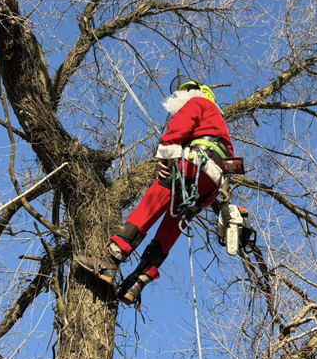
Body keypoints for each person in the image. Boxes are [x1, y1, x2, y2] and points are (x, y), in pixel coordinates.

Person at [75, 79, 234, 305]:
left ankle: (109, 260)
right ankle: (136, 283)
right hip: (210, 184)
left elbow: (181, 122)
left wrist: (165, 153)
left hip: (195, 165)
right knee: (174, 223)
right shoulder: (218, 124)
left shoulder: (197, 102)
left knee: (153, 200)